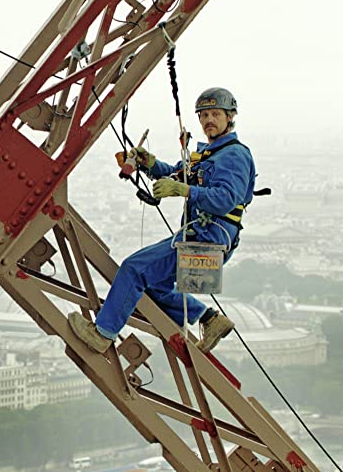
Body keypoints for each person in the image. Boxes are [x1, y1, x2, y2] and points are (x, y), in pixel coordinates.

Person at [68, 87, 256, 353]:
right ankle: (209, 319)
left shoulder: (234, 155)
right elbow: (178, 174)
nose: (208, 120)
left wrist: (183, 190)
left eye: (215, 114)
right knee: (154, 286)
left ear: (230, 117)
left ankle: (102, 333)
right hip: (201, 233)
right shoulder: (209, 154)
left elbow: (226, 198)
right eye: (203, 115)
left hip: (209, 235)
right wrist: (150, 164)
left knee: (134, 269)